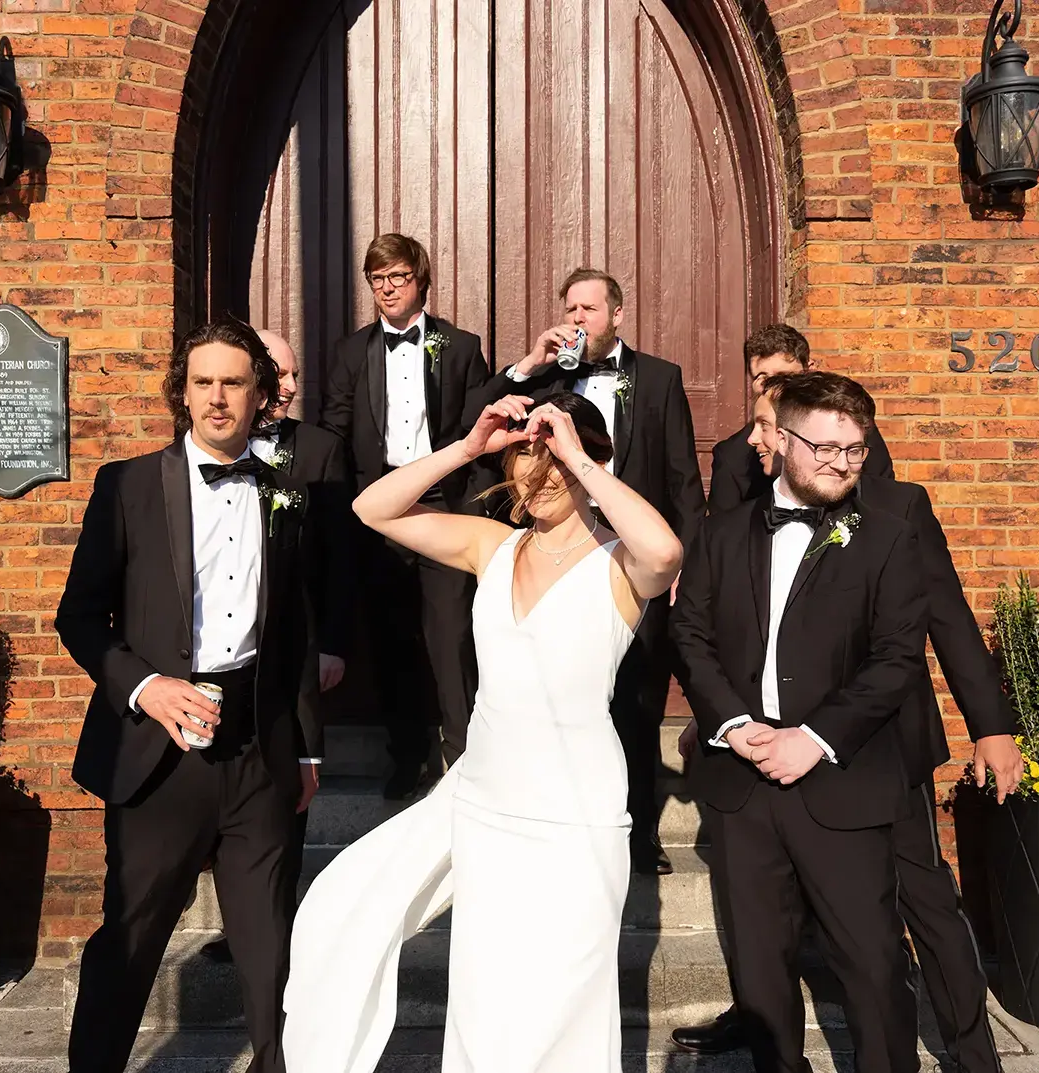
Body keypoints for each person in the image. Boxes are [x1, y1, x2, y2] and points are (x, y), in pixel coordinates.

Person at [283, 392, 683, 1073]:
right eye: (528, 461)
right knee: (479, 993)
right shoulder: (491, 544)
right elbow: (371, 508)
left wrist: (578, 456)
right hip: (485, 806)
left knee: (566, 1004)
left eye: (554, 461)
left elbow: (667, 549)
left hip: (577, 816)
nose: (541, 476)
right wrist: (469, 447)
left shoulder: (621, 565)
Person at [672, 372, 1023, 1071]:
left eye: (855, 450)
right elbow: (689, 633)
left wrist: (815, 738)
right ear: (778, 438)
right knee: (762, 970)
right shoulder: (722, 529)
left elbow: (910, 647)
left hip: (853, 770)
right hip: (741, 780)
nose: (840, 463)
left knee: (875, 957)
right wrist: (733, 723)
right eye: (825, 448)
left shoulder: (887, 530)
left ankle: (967, 1050)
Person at [56, 320, 320, 1073]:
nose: (217, 397)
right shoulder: (128, 485)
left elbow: (295, 628)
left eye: (233, 381)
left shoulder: (286, 495)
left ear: (259, 393)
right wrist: (147, 687)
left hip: (260, 749)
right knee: (131, 938)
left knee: (268, 945)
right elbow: (79, 617)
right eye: (202, 382)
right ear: (182, 391)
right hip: (157, 750)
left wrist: (305, 743)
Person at [465, 267, 705, 874]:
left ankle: (639, 833)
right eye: (570, 308)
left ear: (616, 315)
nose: (577, 318)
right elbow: (472, 418)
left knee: (639, 700)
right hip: (559, 547)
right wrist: (526, 364)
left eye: (589, 309)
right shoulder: (544, 379)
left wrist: (683, 566)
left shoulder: (658, 378)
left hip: (630, 558)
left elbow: (682, 479)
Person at [201, 328, 355, 967]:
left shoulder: (319, 450)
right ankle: (240, 922)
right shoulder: (202, 452)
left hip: (297, 652)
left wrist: (334, 644)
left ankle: (276, 924)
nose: (290, 387)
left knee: (287, 789)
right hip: (220, 665)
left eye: (293, 375)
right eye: (279, 375)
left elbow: (340, 558)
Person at [320, 233, 491, 799]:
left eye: (397, 277)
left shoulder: (462, 347)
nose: (387, 289)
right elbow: (335, 432)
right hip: (379, 516)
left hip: (442, 510)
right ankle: (407, 757)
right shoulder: (350, 353)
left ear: (420, 281)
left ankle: (464, 759)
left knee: (449, 641)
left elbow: (476, 435)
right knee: (392, 644)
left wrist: (476, 513)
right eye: (377, 280)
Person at [707, 323, 892, 513]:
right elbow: (723, 534)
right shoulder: (732, 456)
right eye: (762, 378)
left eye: (783, 376)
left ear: (809, 369)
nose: (773, 388)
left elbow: (883, 500)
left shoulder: (853, 430)